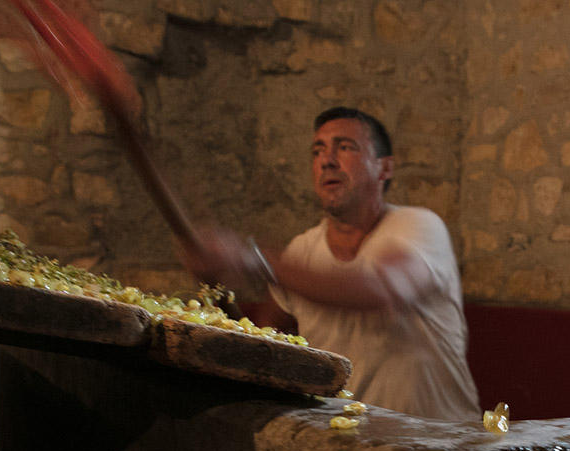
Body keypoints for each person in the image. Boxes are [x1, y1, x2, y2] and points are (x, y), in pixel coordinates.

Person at [182, 107, 479, 421]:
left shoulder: (419, 227)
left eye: (345, 147)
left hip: (436, 445)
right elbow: (263, 347)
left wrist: (255, 260)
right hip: (343, 448)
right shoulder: (301, 251)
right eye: (317, 150)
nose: (327, 160)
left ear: (385, 168)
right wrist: (216, 289)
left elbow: (383, 288)